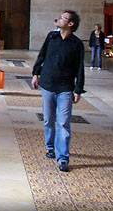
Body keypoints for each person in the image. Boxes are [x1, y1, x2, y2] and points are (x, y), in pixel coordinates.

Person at [32, 10, 85, 173]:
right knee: (48, 120)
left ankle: (63, 158)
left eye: (62, 17)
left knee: (63, 122)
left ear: (70, 24)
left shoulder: (76, 44)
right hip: (48, 84)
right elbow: (41, 56)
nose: (58, 19)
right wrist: (35, 74)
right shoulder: (51, 37)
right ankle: (50, 147)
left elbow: (80, 68)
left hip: (65, 88)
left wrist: (78, 89)